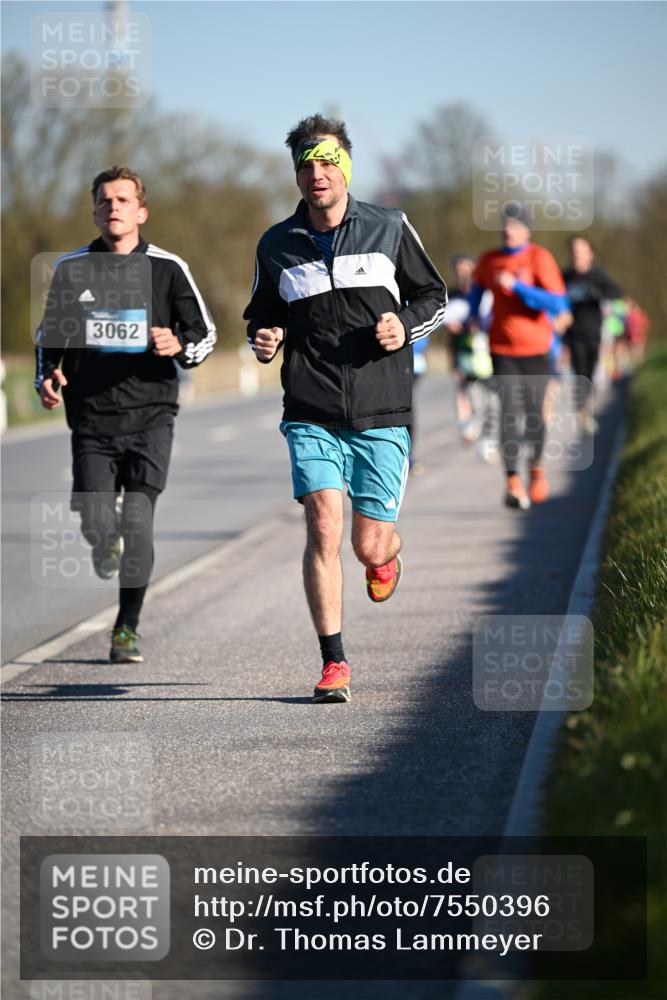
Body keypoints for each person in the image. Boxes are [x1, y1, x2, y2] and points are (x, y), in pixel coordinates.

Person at [244, 113, 447, 703]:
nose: (318, 174)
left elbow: (434, 295)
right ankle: (334, 662)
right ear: (297, 176)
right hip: (311, 408)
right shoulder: (276, 244)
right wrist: (265, 337)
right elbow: (263, 311)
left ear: (346, 167)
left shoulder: (388, 227)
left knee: (367, 543)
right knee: (323, 526)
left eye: (328, 162)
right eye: (307, 166)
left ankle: (386, 557)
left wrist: (403, 325)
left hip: (382, 409)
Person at [34, 165, 216, 663]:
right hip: (91, 416)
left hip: (152, 415)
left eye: (122, 199)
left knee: (138, 521)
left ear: (141, 211)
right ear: (94, 211)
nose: (113, 207)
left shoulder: (167, 267)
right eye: (104, 200)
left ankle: (126, 629)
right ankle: (101, 539)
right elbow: (49, 339)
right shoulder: (72, 269)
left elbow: (205, 336)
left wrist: (178, 344)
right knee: (95, 514)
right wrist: (47, 375)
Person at [470, 203, 568, 509]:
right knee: (508, 412)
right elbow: (477, 289)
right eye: (505, 224)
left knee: (535, 415)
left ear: (527, 230)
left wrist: (519, 288)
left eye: (514, 225)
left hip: (537, 350)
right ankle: (512, 480)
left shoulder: (539, 257)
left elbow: (556, 302)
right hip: (501, 349)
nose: (507, 230)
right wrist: (473, 315)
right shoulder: (489, 260)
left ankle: (536, 469)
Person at [561, 236, 622, 432]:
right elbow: (553, 299)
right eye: (574, 250)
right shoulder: (565, 277)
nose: (577, 254)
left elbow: (617, 294)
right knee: (579, 373)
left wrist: (599, 294)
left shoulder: (598, 276)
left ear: (590, 253)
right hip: (572, 334)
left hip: (594, 333)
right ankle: (582, 409)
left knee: (592, 373)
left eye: (581, 250)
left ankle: (585, 406)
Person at [443, 254, 496, 459]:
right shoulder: (452, 295)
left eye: (467, 269)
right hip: (462, 352)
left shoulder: (485, 294)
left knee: (491, 402)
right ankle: (467, 428)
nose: (463, 274)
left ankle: (487, 440)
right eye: (459, 270)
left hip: (486, 354)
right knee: (465, 392)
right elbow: (444, 321)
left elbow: (492, 319)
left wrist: (479, 326)